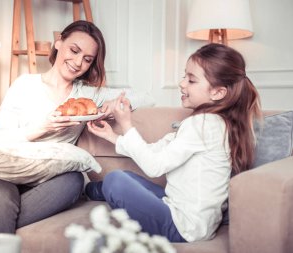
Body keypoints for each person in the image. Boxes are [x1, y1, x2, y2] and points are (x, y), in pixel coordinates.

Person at [0, 20, 154, 253]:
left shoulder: (86, 96)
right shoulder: (25, 85)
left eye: (87, 59)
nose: (77, 63)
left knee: (74, 181)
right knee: (2, 198)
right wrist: (43, 127)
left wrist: (114, 105)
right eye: (74, 50)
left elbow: (145, 96)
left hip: (44, 182)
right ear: (58, 42)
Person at [85, 43, 262, 243]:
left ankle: (100, 190)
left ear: (218, 93)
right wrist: (112, 136)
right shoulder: (211, 123)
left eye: (191, 80)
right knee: (126, 177)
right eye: (184, 76)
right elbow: (154, 153)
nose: (182, 84)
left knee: (115, 180)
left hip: (182, 227)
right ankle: (99, 190)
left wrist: (126, 124)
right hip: (189, 217)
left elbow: (154, 166)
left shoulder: (203, 124)